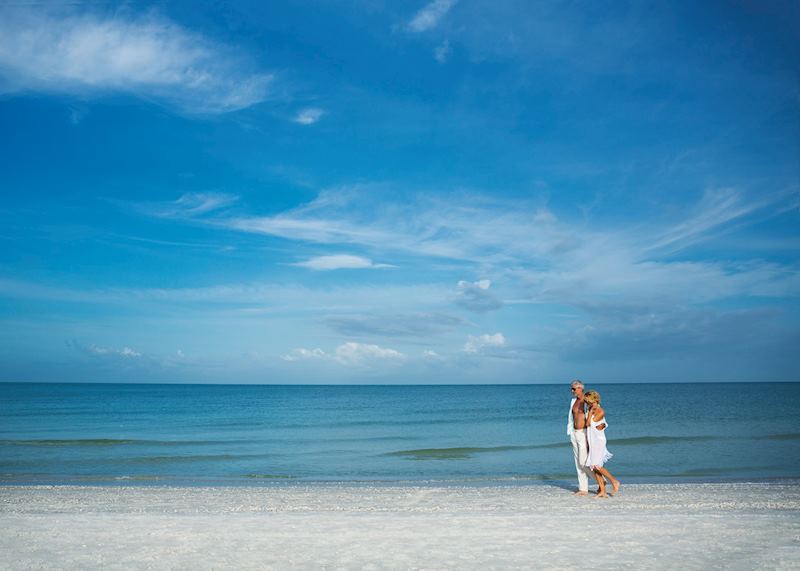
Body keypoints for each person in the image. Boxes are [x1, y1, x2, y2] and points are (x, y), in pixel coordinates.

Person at [583, 390, 620, 498]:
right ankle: (602, 491)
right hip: (592, 440)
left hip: (598, 440)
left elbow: (589, 423)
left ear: (594, 400)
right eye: (586, 402)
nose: (587, 404)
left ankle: (614, 481)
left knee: (597, 465)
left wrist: (590, 412)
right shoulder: (590, 408)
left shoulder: (600, 411)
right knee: (593, 466)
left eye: (588, 401)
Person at [567, 380, 593, 496]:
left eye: (574, 389)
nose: (572, 391)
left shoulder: (588, 401)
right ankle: (583, 488)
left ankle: (601, 480)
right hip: (574, 433)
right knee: (577, 462)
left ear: (581, 388)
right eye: (571, 389)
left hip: (584, 433)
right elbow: (571, 418)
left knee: (583, 462)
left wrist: (591, 437)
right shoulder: (573, 401)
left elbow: (596, 416)